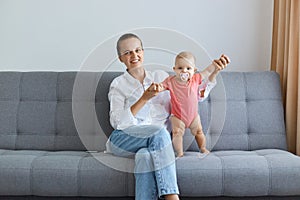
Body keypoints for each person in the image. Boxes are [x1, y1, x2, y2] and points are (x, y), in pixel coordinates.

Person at [105, 33, 229, 200]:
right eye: (127, 53)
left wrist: (213, 73)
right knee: (159, 132)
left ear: (143, 51)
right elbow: (117, 123)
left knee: (145, 156)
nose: (134, 55)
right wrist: (144, 99)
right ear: (120, 58)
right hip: (123, 139)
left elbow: (191, 97)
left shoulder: (162, 78)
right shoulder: (118, 84)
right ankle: (172, 197)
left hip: (155, 145)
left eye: (137, 50)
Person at [158, 51, 230, 157]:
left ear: (194, 70)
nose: (184, 71)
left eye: (188, 68)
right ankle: (180, 153)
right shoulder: (170, 81)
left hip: (193, 116)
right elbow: (161, 86)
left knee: (199, 132)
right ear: (174, 69)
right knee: (177, 133)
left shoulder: (196, 79)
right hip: (178, 116)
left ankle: (203, 148)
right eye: (180, 68)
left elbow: (208, 71)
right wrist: (156, 88)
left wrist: (215, 64)